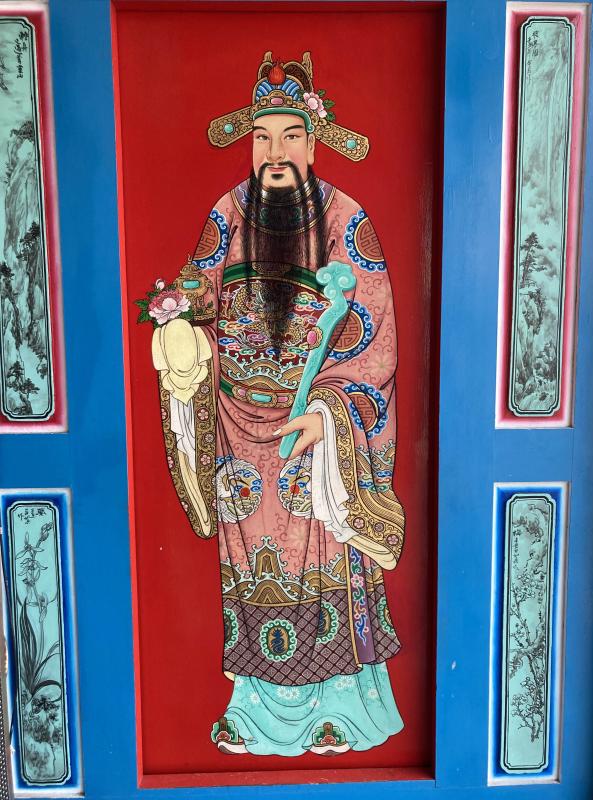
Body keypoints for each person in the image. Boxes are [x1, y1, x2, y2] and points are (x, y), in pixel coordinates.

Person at [146, 51, 406, 757]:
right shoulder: (227, 214)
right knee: (250, 569)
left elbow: (374, 335)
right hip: (240, 427)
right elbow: (198, 294)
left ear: (313, 144)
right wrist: (180, 329)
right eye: (263, 138)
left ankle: (342, 709)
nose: (276, 154)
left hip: (316, 429)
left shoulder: (348, 219)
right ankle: (254, 711)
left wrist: (328, 414)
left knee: (324, 553)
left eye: (291, 137)